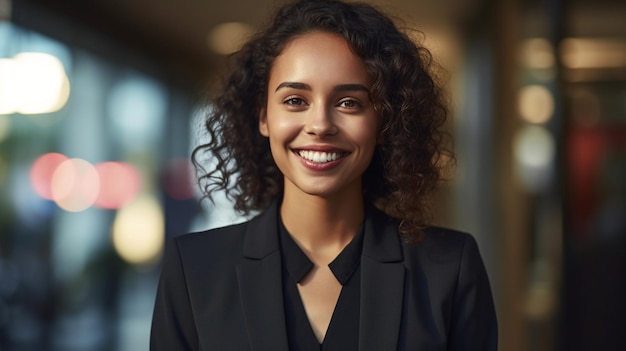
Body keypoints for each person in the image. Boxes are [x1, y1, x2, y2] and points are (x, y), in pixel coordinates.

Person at [150, 0, 498, 350]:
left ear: (383, 122)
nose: (320, 125)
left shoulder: (450, 268)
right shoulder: (194, 269)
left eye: (349, 102)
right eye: (295, 101)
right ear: (263, 117)